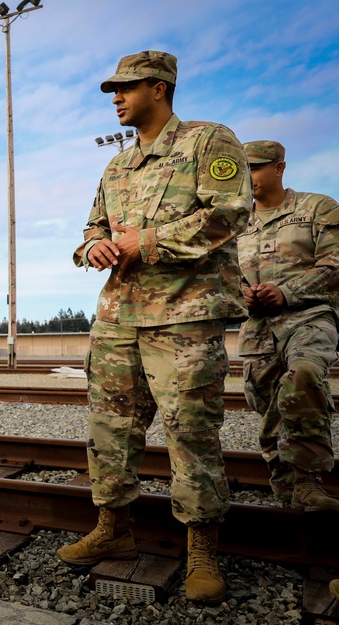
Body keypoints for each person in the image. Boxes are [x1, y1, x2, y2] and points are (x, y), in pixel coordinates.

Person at [59, 51, 251, 604]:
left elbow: (228, 212)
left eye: (124, 88)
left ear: (159, 88)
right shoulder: (117, 165)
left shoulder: (208, 141)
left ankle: (202, 549)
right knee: (109, 431)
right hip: (119, 316)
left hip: (185, 316)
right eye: (113, 90)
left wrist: (148, 241)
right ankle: (114, 530)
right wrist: (93, 243)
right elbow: (94, 223)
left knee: (190, 434)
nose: (115, 98)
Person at [236, 140, 339, 511]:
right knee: (270, 406)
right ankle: (288, 489)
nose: (246, 177)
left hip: (309, 317)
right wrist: (240, 295)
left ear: (279, 167)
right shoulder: (234, 223)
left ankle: (309, 482)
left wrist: (287, 291)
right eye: (241, 169)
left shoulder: (317, 208)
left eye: (254, 167)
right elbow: (220, 277)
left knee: (304, 375)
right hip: (257, 330)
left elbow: (335, 264)